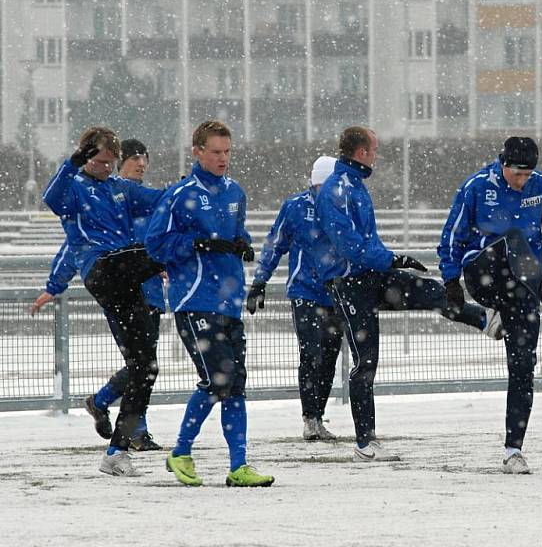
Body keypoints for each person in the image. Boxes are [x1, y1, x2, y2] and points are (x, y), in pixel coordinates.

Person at [315, 126, 503, 462]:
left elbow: (364, 242)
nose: (377, 154)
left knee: (427, 289)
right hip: (348, 283)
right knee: (365, 359)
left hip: (370, 274)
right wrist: (391, 259)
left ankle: (485, 320)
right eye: (374, 149)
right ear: (361, 153)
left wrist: (390, 262)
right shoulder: (337, 189)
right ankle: (365, 442)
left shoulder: (354, 185)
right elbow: (349, 245)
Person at [438, 136, 542, 474]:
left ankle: (513, 449)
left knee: (522, 366)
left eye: (527, 175)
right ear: (503, 164)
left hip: (520, 288)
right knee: (513, 238)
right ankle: (540, 285)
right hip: (483, 271)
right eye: (516, 174)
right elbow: (452, 235)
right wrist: (450, 280)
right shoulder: (476, 187)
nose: (522, 181)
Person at [146, 120, 273, 487]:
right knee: (218, 380)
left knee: (234, 384)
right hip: (194, 300)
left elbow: (237, 231)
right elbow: (156, 245)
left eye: (227, 152)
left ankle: (239, 466)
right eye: (215, 152)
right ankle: (181, 451)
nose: (222, 158)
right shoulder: (179, 195)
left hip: (228, 301)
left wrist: (244, 243)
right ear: (197, 152)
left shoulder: (235, 192)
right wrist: (195, 244)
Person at [42, 127, 166, 476]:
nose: (107, 169)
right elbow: (52, 200)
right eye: (101, 162)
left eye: (112, 164)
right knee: (161, 252)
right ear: (86, 157)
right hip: (102, 268)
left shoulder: (119, 189)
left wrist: (184, 190)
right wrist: (71, 165)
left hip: (126, 284)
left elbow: (158, 198)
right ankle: (200, 252)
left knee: (145, 367)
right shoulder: (75, 188)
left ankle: (116, 452)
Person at [247, 156, 342, 442]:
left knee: (329, 357)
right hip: (305, 291)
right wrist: (259, 281)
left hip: (335, 293)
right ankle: (310, 418)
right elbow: (275, 244)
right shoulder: (296, 207)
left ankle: (318, 415)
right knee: (311, 353)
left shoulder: (345, 205)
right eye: (321, 186)